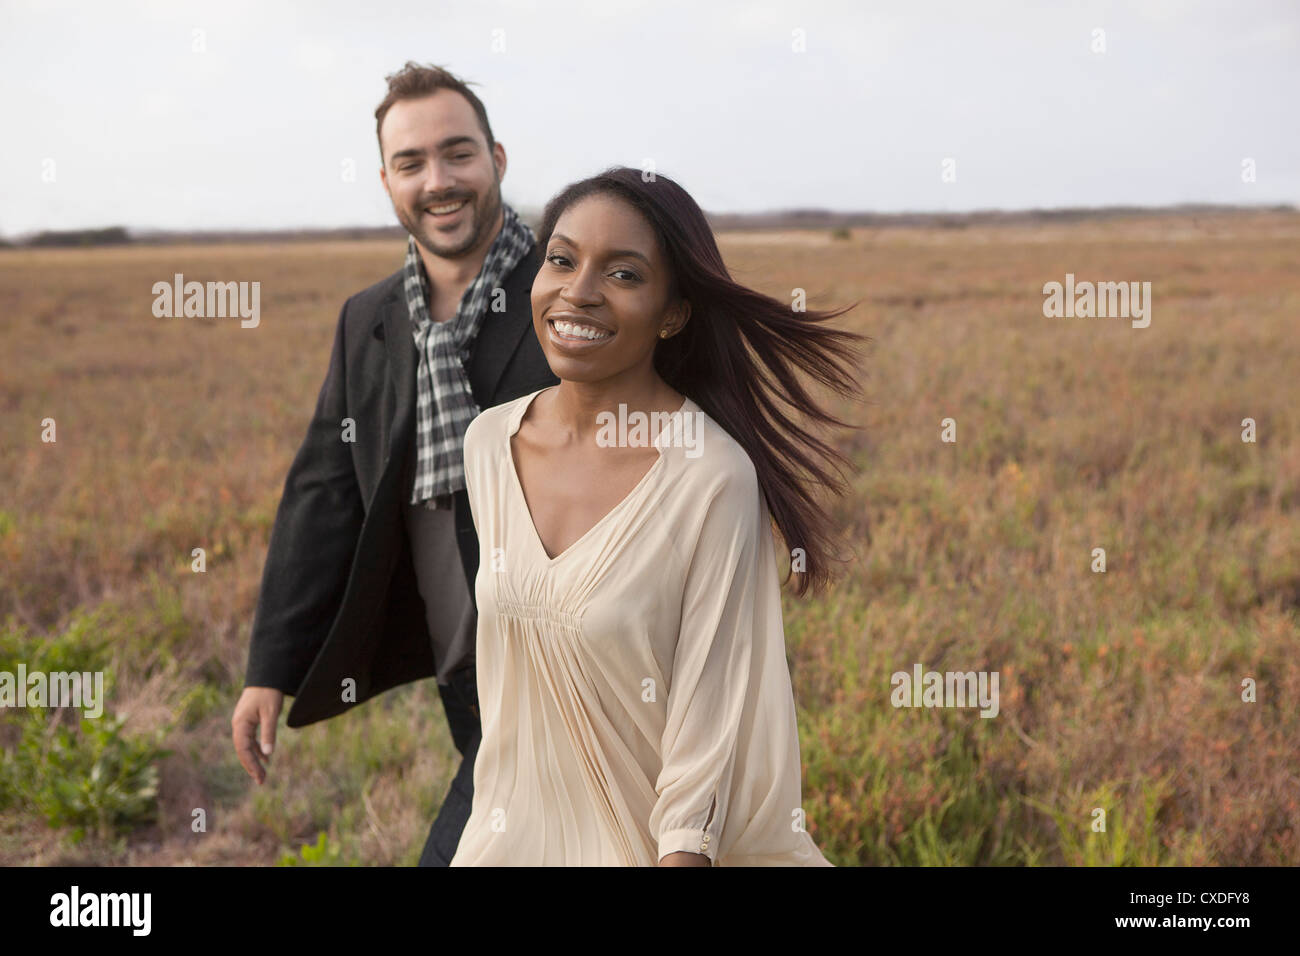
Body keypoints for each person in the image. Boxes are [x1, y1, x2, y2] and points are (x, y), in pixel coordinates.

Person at [449, 167, 866, 865]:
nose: (577, 291)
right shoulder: (489, 442)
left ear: (673, 313)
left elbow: (709, 730)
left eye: (624, 274)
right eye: (561, 259)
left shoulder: (711, 479)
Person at [230, 62, 557, 865]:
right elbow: (325, 490)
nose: (438, 181)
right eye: (412, 163)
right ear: (386, 180)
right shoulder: (369, 321)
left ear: (498, 159)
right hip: (464, 662)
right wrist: (271, 665)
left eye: (458, 153)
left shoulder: (564, 286)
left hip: (577, 652)